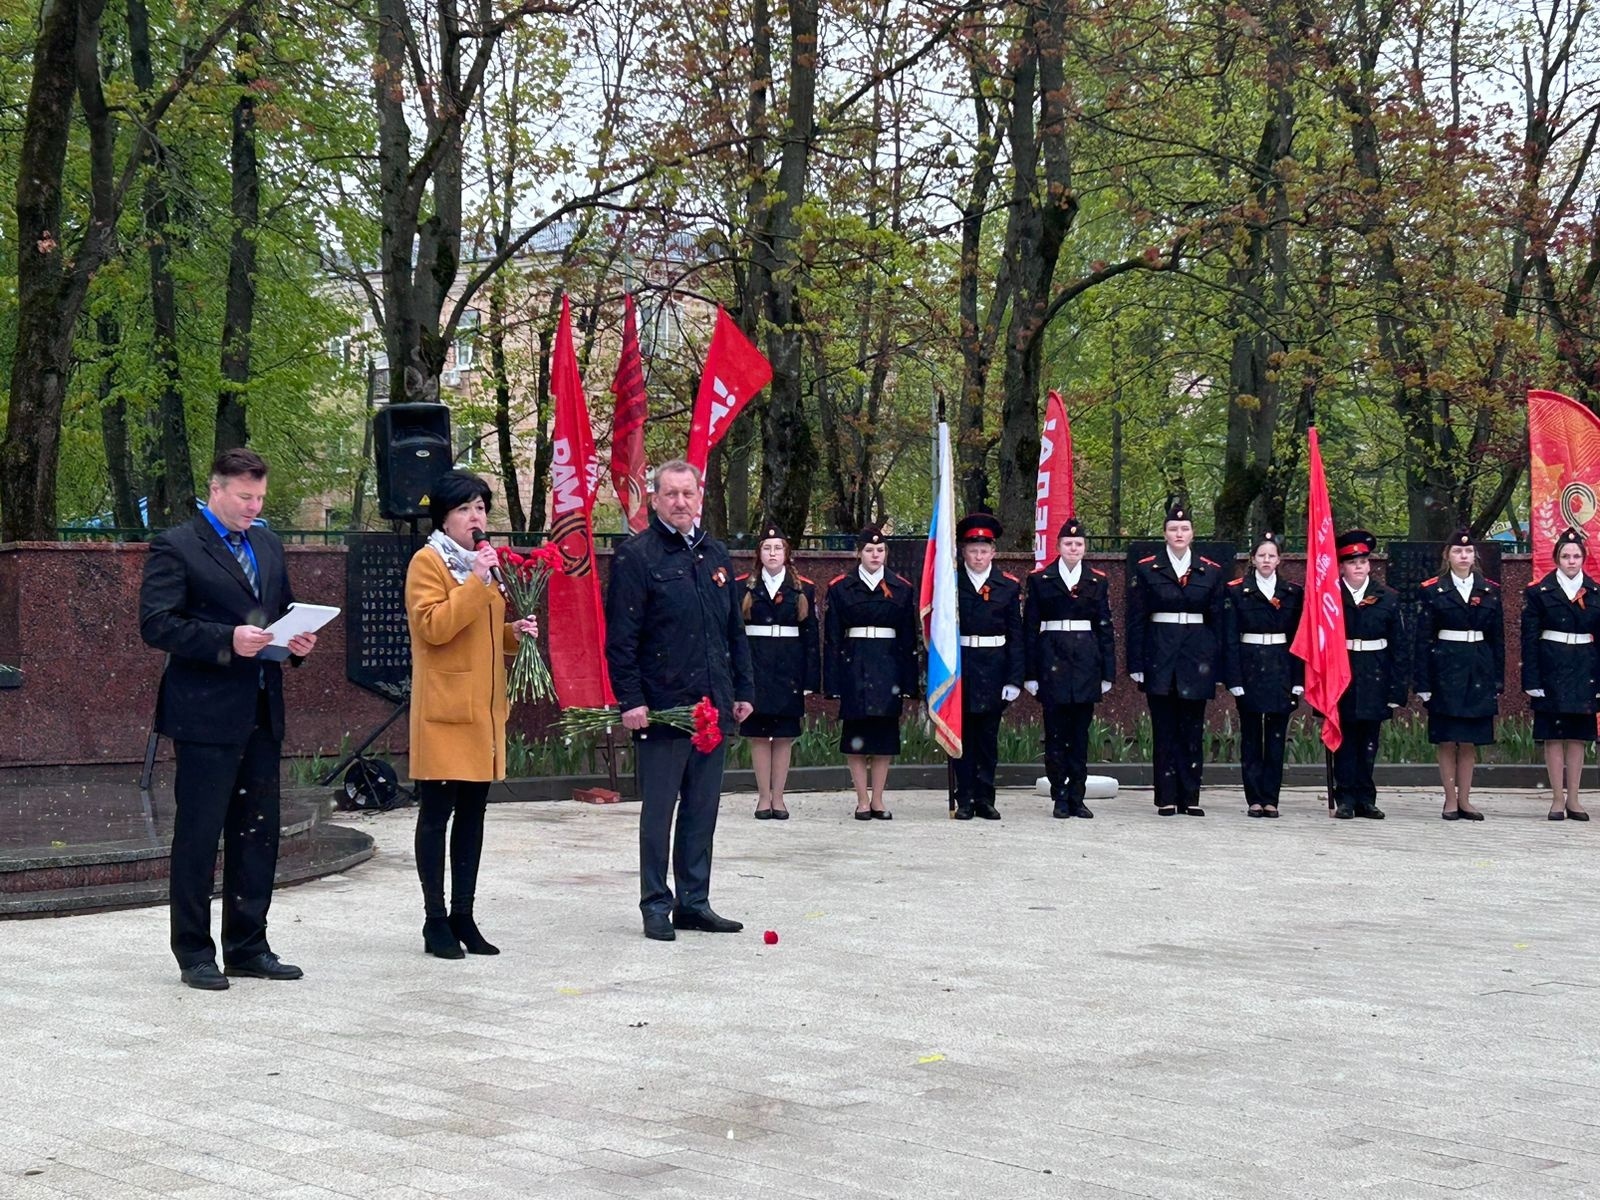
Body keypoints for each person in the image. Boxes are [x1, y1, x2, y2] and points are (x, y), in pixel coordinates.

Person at [138, 449, 319, 991]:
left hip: (262, 707)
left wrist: (296, 643)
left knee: (257, 833)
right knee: (199, 834)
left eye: (260, 497)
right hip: (205, 714)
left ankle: (248, 945)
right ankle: (194, 952)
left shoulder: (265, 542)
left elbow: (277, 611)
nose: (253, 506)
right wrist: (226, 640)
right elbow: (157, 625)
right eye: (245, 497)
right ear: (216, 490)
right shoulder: (177, 545)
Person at [604, 460, 754, 942]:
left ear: (699, 496)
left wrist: (743, 691)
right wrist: (630, 698)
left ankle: (694, 901)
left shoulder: (715, 554)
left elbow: (733, 631)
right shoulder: (637, 556)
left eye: (688, 494)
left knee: (702, 808)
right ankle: (655, 903)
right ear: (655, 499)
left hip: (713, 707)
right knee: (660, 810)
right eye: (671, 494)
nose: (680, 503)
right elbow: (622, 639)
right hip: (664, 708)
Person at [405, 470, 539, 959]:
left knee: (473, 817)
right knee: (436, 816)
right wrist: (476, 582)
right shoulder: (429, 563)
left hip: (482, 712)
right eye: (464, 509)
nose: (475, 517)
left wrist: (514, 632)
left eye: (480, 508)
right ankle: (434, 919)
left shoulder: (482, 566)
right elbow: (435, 627)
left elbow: (483, 632)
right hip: (444, 712)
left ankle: (465, 913)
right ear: (444, 516)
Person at [1126, 501, 1226, 816]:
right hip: (1160, 657)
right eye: (1173, 529)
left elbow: (1218, 623)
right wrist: (1136, 664)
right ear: (1164, 534)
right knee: (1165, 730)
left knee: (1192, 731)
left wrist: (1218, 666)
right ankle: (1166, 797)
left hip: (1197, 658)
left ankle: (1190, 798)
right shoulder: (1146, 568)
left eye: (1184, 528)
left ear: (1193, 533)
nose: (1179, 533)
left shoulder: (1210, 570)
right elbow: (1136, 619)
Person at [824, 525, 919, 820]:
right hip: (854, 665)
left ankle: (878, 799)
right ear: (858, 553)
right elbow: (832, 637)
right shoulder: (840, 587)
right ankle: (861, 800)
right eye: (869, 550)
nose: (875, 555)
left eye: (880, 550)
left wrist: (909, 681)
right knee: (856, 737)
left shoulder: (902, 587)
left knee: (883, 738)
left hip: (888, 667)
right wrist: (833, 681)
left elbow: (908, 638)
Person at [1023, 516, 1116, 819]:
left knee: (1080, 735)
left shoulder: (1097, 580)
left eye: (1078, 543)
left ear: (1084, 547)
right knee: (1055, 734)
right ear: (1058, 546)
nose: (1073, 547)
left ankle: (1078, 795)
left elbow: (1105, 628)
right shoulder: (1040, 580)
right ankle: (1059, 795)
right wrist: (1031, 673)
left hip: (1087, 663)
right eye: (1068, 543)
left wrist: (1107, 672)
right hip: (1052, 661)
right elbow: (1029, 628)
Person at [1414, 529, 1503, 822]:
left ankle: (1465, 799)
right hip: (1446, 669)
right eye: (1457, 551)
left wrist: (1498, 679)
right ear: (1447, 556)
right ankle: (1449, 799)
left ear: (1474, 555)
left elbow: (1498, 638)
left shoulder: (1489, 589)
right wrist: (1423, 682)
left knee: (1469, 740)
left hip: (1478, 667)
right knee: (1447, 738)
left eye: (1467, 552)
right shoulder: (1432, 590)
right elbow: (1423, 639)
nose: (1463, 556)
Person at [737, 522, 820, 820]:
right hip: (756, 670)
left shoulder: (803, 589)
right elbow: (735, 636)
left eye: (778, 548)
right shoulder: (743, 586)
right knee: (759, 737)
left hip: (788, 672)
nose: (773, 553)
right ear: (759, 554)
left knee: (784, 736)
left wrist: (811, 678)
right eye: (767, 548)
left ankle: (780, 798)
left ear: (787, 553)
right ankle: (762, 798)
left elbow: (811, 637)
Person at [1220, 531, 1304, 818]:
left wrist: (1298, 680)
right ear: (1252, 559)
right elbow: (1229, 638)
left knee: (1277, 738)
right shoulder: (1235, 591)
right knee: (1252, 736)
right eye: (1261, 555)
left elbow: (1297, 639)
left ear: (1279, 559)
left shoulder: (1293, 592)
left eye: (1272, 555)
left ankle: (1272, 799)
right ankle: (1254, 798)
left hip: (1281, 667)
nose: (1267, 560)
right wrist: (1234, 679)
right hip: (1250, 666)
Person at [1327, 528, 1406, 820]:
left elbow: (1399, 645)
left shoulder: (1387, 596)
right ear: (1342, 566)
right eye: (1352, 562)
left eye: (1363, 561)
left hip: (1376, 673)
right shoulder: (1330, 597)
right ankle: (1345, 796)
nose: (1359, 566)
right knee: (1344, 737)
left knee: (1370, 739)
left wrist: (1397, 688)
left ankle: (1366, 798)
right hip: (1343, 671)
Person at [1521, 526, 1598, 822]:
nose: (1571, 561)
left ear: (1583, 559)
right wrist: (1531, 679)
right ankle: (1556, 799)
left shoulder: (1594, 592)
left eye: (1576, 555)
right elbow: (1529, 639)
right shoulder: (1539, 592)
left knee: (1578, 737)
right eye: (1565, 556)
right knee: (1553, 735)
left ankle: (1575, 799)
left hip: (1584, 668)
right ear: (1556, 559)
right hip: (1551, 666)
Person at [950, 513, 1024, 820]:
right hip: (962, 666)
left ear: (994, 552)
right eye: (973, 550)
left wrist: (1014, 678)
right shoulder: (951, 584)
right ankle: (964, 797)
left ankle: (985, 797)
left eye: (984, 550)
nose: (978, 556)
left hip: (994, 667)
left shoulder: (1007, 585)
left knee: (987, 739)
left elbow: (1016, 635)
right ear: (963, 552)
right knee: (962, 736)